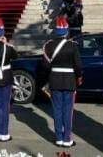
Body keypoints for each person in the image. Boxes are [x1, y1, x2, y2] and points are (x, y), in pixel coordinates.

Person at [42, 16, 82, 148]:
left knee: (57, 110)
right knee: (68, 110)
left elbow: (46, 67)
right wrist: (79, 77)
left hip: (55, 80)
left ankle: (58, 138)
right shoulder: (72, 46)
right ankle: (67, 139)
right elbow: (78, 66)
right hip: (69, 80)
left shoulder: (48, 46)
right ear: (66, 31)